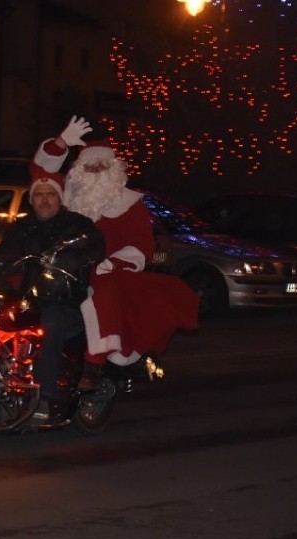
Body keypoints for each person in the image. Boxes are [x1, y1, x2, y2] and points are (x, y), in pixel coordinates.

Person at [32, 116, 199, 390]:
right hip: (62, 269)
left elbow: (140, 245)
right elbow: (40, 173)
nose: (95, 172)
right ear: (79, 168)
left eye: (101, 166)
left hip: (106, 271)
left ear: (113, 169)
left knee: (101, 292)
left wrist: (112, 262)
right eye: (89, 165)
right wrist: (61, 143)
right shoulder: (69, 196)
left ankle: (94, 365)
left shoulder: (129, 204)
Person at [0, 162, 105, 420]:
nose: (45, 200)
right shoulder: (21, 228)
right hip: (29, 300)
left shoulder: (77, 224)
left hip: (67, 301)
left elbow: (95, 247)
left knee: (51, 322)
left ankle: (44, 397)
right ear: (31, 199)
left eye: (51, 194)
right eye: (39, 195)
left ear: (60, 197)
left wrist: (70, 260)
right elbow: (3, 255)